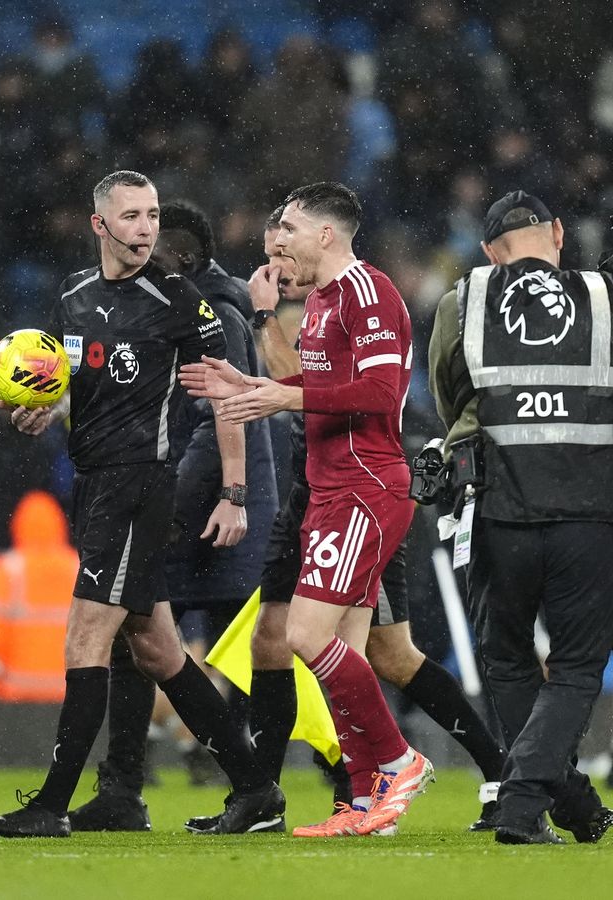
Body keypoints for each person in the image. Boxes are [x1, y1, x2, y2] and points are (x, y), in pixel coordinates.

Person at [0, 170, 283, 839]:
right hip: (93, 484)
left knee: (85, 637)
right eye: (132, 216)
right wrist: (44, 408)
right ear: (99, 224)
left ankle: (50, 805)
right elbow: (76, 389)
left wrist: (234, 491)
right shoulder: (75, 294)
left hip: (140, 486)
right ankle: (257, 788)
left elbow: (227, 394)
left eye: (152, 215)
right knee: (158, 650)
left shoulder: (178, 299)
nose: (146, 229)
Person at [185, 205, 507, 836]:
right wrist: (250, 381)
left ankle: (401, 762)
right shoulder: (321, 303)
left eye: (287, 240)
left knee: (314, 637)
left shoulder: (368, 291)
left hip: (363, 489)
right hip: (325, 489)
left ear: (324, 233)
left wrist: (283, 393)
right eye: (273, 248)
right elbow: (303, 387)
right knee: (346, 648)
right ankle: (362, 800)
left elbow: (379, 394)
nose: (278, 258)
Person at [66, 199, 278, 830]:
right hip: (177, 501)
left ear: (181, 258)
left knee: (252, 652)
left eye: (152, 239)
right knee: (143, 643)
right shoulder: (141, 304)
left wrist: (180, 505)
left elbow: (219, 421)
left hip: (212, 512)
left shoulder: (214, 314)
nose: (139, 249)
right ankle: (128, 787)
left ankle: (273, 783)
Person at [429, 190, 613, 845]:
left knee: (507, 659)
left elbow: (451, 401)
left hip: (497, 509)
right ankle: (527, 802)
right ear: (558, 233)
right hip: (590, 511)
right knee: (576, 668)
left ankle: (558, 802)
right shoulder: (605, 297)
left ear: (488, 251)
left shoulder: (464, 301)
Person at [0, 489, 76, 703]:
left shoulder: (6, 571)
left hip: (14, 701)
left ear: (17, 525)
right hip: (70, 699)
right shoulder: (78, 569)